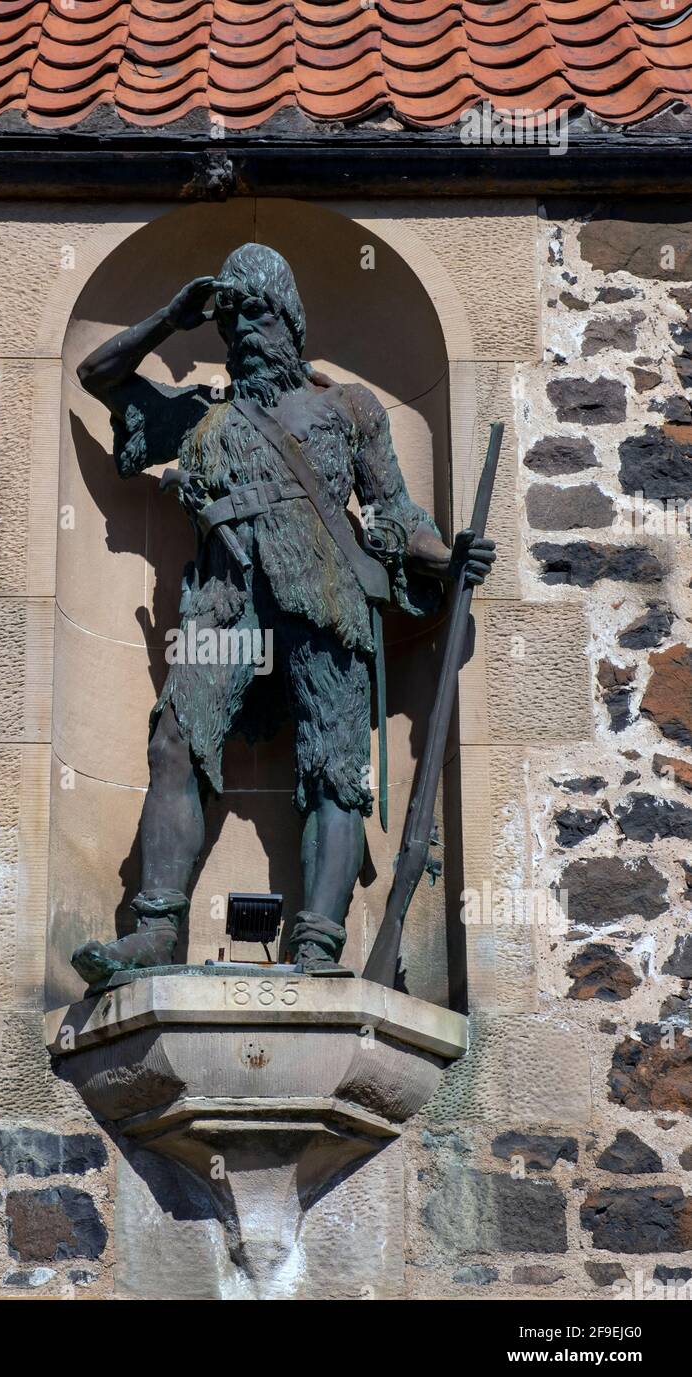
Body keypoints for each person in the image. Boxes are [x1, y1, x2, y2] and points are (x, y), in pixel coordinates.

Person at [71, 243, 495, 987]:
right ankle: (155, 930)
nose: (246, 333)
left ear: (291, 319)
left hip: (326, 600)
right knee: (176, 741)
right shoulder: (206, 416)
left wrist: (448, 558)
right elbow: (97, 375)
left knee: (335, 772)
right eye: (233, 320)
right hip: (223, 601)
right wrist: (172, 318)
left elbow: (397, 516)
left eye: (260, 313)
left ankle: (319, 947)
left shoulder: (348, 408)